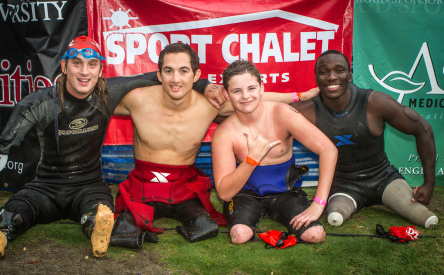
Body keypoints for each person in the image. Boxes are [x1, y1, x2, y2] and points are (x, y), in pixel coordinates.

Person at [0, 36, 212, 259]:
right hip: (46, 185)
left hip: (88, 185)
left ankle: (98, 233)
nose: (84, 71)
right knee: (17, 209)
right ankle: (1, 235)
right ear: (64, 67)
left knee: (99, 215)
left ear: (100, 69)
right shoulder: (42, 102)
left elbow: (158, 77)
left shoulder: (107, 94)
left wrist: (202, 84)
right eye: (77, 63)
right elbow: (14, 126)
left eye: (92, 64)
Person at [109, 43, 320, 248]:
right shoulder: (136, 99)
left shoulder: (209, 105)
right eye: (168, 71)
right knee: (124, 232)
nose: (175, 79)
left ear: (196, 75)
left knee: (205, 227)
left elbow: (256, 98)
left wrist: (299, 96)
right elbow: (98, 95)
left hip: (182, 186)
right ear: (158, 75)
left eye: (183, 71)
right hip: (143, 183)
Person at [293, 50, 438, 228]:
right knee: (335, 218)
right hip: (344, 185)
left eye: (339, 70)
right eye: (324, 72)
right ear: (316, 79)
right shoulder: (306, 110)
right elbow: (271, 116)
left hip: (384, 178)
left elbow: (423, 130)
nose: (332, 77)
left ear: (350, 75)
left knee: (427, 219)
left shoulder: (375, 102)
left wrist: (429, 183)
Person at [211, 60, 337, 245]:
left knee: (315, 234)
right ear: (226, 94)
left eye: (251, 88)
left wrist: (319, 203)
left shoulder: (283, 113)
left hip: (285, 192)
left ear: (262, 88)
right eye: (237, 91)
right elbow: (224, 193)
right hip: (245, 194)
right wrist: (252, 159)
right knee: (240, 235)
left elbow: (328, 150)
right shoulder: (224, 133)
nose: (246, 96)